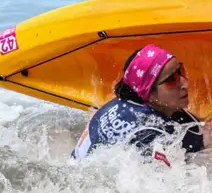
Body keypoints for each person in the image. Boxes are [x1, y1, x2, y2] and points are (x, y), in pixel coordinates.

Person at [71, 43, 204, 165]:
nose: (185, 83)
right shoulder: (149, 138)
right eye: (171, 80)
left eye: (181, 71)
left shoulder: (119, 103)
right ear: (148, 93)